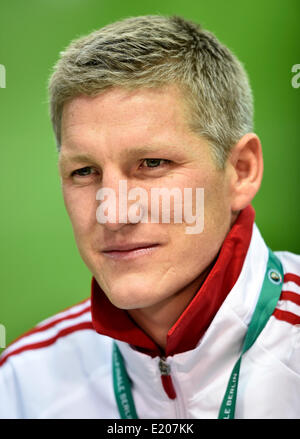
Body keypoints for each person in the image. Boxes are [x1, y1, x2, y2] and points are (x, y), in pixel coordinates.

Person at [0, 15, 299, 420]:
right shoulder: (22, 382)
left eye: (152, 163)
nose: (113, 212)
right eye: (84, 172)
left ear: (241, 171)